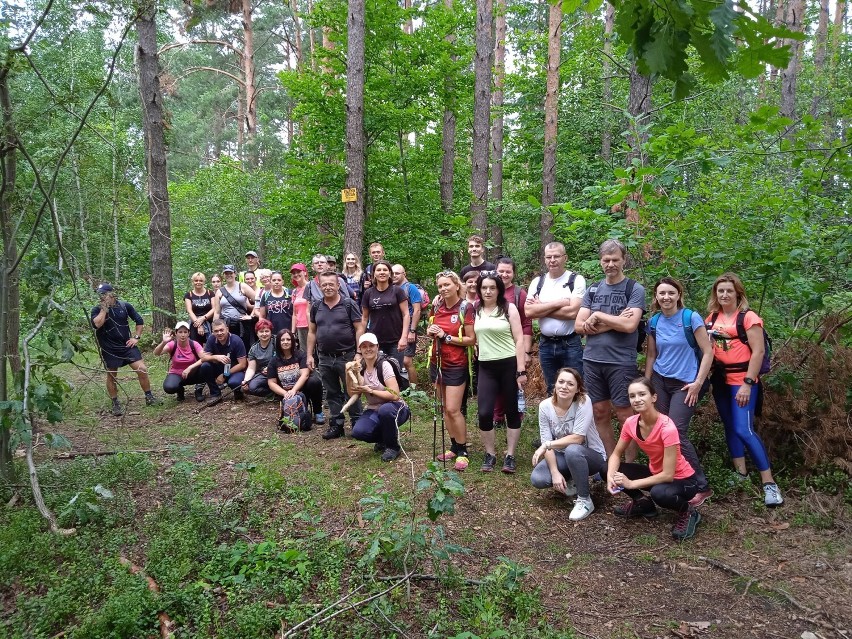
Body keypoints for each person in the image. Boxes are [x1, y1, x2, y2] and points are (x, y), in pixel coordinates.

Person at [706, 273, 783, 507]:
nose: (725, 295)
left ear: (738, 293)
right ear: (715, 294)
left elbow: (758, 352)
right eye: (721, 291)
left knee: (744, 429)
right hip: (720, 379)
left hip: (743, 381)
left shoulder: (748, 318)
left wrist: (748, 384)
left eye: (729, 290)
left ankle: (769, 484)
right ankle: (740, 473)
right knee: (730, 427)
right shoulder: (711, 318)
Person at [645, 277, 715, 506]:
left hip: (686, 384)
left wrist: (697, 383)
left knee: (676, 431)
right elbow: (652, 355)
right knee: (659, 429)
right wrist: (646, 384)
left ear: (678, 295)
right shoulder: (654, 321)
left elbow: (708, 352)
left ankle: (701, 486)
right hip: (660, 381)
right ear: (656, 297)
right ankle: (672, 476)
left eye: (670, 293)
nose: (666, 297)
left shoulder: (690, 318)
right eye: (661, 293)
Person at [607, 377, 702, 541]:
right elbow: (616, 454)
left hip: (684, 480)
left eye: (642, 394)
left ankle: (688, 511)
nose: (637, 399)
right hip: (656, 474)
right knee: (606, 468)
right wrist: (610, 476)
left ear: (654, 397)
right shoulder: (631, 423)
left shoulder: (667, 427)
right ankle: (642, 503)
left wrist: (630, 484)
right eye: (632, 396)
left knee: (660, 493)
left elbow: (668, 475)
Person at [575, 239, 645, 456]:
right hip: (593, 360)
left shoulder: (634, 289)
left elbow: (630, 325)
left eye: (615, 260)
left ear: (624, 260)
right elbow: (579, 326)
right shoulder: (594, 289)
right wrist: (615, 320)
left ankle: (630, 465)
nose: (611, 264)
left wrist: (597, 317)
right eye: (606, 260)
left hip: (621, 362)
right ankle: (611, 461)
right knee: (599, 412)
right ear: (600, 262)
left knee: (626, 414)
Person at [530, 368, 607, 521]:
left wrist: (547, 444)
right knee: (538, 478)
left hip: (591, 456)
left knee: (573, 450)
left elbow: (577, 438)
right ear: (555, 385)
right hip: (564, 456)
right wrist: (554, 472)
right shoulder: (545, 407)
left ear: (578, 389)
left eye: (570, 384)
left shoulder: (583, 401)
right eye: (561, 382)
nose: (565, 386)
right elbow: (547, 441)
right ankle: (572, 480)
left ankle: (585, 500)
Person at [473, 273, 526, 473]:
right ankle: (490, 453)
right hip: (486, 366)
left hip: (508, 365)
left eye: (492, 288)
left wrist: (521, 370)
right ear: (479, 290)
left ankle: (510, 455)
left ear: (499, 290)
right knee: (485, 413)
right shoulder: (475, 309)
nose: (488, 291)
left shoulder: (508, 308)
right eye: (484, 288)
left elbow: (519, 339)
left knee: (512, 411)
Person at [426, 271, 476, 471]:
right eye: (440, 286)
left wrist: (446, 336)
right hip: (436, 361)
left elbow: (472, 339)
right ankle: (453, 446)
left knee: (454, 409)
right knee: (444, 408)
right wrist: (431, 333)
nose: (443, 289)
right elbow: (431, 330)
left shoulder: (466, 307)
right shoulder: (436, 306)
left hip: (456, 364)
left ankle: (463, 451)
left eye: (447, 284)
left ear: (457, 285)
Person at [307, 271, 364, 439]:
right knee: (331, 392)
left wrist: (359, 352)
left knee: (351, 390)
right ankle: (337, 424)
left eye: (331, 284)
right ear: (319, 286)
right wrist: (309, 355)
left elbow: (359, 328)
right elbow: (312, 332)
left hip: (346, 356)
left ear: (338, 285)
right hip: (324, 357)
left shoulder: (348, 304)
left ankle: (357, 423)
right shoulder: (316, 306)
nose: (328, 287)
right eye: (324, 284)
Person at [525, 242, 587, 392]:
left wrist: (541, 306)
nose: (552, 260)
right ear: (545, 259)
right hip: (545, 344)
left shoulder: (575, 280)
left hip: (570, 343)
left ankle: (576, 416)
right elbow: (529, 312)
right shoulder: (538, 282)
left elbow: (573, 313)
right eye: (549, 257)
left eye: (556, 256)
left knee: (575, 386)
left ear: (565, 257)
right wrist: (560, 302)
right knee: (552, 388)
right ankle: (555, 416)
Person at [90, 283, 158, 415]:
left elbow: (139, 320)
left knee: (142, 369)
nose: (102, 297)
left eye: (105, 294)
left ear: (112, 294)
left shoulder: (125, 306)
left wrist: (136, 337)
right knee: (111, 375)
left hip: (126, 346)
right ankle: (115, 403)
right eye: (100, 294)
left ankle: (149, 397)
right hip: (109, 348)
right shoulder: (96, 309)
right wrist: (104, 309)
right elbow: (97, 325)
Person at [350, 333, 411, 461]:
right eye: (364, 346)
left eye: (371, 345)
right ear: (360, 350)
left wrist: (371, 390)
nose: (368, 349)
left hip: (397, 408)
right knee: (358, 431)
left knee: (386, 410)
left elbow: (394, 395)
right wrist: (348, 376)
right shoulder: (359, 367)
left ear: (377, 347)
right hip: (373, 409)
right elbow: (353, 394)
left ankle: (393, 447)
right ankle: (384, 438)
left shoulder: (384, 365)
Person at [493, 257, 533, 428]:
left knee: (515, 383)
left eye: (508, 271)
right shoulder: (490, 290)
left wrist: (526, 352)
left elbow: (527, 323)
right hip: (494, 347)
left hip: (514, 347)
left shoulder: (519, 294)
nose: (504, 274)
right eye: (501, 271)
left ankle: (516, 416)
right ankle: (497, 417)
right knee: (496, 384)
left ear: (513, 273)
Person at [267, 328, 325, 430]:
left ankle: (318, 411)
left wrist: (294, 390)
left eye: (288, 339)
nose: (285, 342)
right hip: (286, 394)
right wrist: (285, 393)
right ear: (278, 342)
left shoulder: (300, 355)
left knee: (314, 381)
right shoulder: (274, 361)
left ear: (293, 341)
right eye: (282, 340)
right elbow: (271, 382)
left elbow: (305, 375)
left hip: (302, 391)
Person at [360, 260, 410, 365]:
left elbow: (406, 314)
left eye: (385, 270)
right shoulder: (368, 293)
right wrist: (361, 341)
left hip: (395, 341)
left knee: (395, 373)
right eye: (378, 270)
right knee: (377, 373)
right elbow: (364, 319)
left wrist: (404, 337)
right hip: (375, 342)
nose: (382, 272)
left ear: (389, 273)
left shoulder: (398, 291)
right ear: (374, 274)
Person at [199, 318, 248, 405]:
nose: (219, 333)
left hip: (234, 370)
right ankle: (215, 394)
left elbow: (242, 364)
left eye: (222, 330)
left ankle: (238, 392)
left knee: (234, 382)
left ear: (227, 329)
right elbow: (203, 358)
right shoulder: (211, 339)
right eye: (216, 331)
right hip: (219, 368)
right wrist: (215, 357)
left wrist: (225, 375)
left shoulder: (236, 341)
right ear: (213, 332)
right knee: (205, 366)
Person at [153, 321, 205, 401]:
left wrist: (190, 368)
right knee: (169, 387)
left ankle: (198, 389)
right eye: (180, 332)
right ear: (176, 333)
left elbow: (204, 358)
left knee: (207, 367)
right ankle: (179, 390)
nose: (183, 335)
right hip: (177, 374)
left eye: (185, 332)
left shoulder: (194, 344)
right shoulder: (172, 344)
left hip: (194, 373)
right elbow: (156, 353)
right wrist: (164, 342)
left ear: (189, 333)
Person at [212, 265, 256, 349]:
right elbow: (217, 312)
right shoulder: (220, 291)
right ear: (223, 275)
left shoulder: (242, 286)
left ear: (235, 274)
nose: (229, 275)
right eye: (226, 273)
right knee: (229, 347)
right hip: (226, 324)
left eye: (230, 273)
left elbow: (259, 300)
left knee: (244, 347)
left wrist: (251, 315)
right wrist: (214, 327)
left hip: (242, 324)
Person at [391, 264, 422, 385]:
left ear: (404, 274)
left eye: (397, 273)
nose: (394, 276)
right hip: (395, 329)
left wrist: (412, 330)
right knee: (396, 361)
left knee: (407, 361)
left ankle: (414, 391)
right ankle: (400, 389)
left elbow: (417, 310)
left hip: (409, 328)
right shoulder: (392, 288)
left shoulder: (411, 288)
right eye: (392, 273)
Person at [240, 319, 277, 397]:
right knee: (251, 387)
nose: (264, 334)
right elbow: (251, 368)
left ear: (271, 332)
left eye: (267, 331)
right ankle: (272, 393)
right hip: (263, 374)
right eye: (261, 331)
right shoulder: (253, 349)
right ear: (257, 333)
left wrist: (271, 368)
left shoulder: (277, 342)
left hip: (279, 372)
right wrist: (246, 380)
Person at [184, 273, 215, 345]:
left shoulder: (210, 293)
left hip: (208, 322)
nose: (198, 282)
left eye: (201, 280)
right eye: (196, 280)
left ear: (204, 282)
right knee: (195, 345)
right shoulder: (189, 295)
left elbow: (214, 308)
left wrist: (203, 318)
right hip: (195, 323)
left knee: (211, 345)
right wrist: (199, 324)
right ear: (193, 282)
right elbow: (189, 311)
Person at [290, 263, 311, 350]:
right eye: (294, 273)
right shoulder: (294, 291)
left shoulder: (311, 286)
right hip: (300, 326)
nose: (296, 274)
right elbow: (294, 314)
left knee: (315, 351)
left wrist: (311, 328)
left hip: (311, 325)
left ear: (305, 273)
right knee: (304, 352)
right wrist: (292, 332)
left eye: (298, 272)